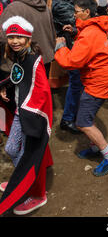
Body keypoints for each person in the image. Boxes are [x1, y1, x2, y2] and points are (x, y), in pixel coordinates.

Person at [54, 0, 108, 177]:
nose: (74, 15)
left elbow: (72, 61)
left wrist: (60, 47)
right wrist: (76, 32)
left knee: (83, 122)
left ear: (87, 12)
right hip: (102, 79)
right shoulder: (95, 26)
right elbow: (91, 46)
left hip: (97, 83)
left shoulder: (89, 34)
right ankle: (95, 147)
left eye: (76, 12)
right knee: (88, 116)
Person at [0, 16, 53, 216]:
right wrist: (6, 86)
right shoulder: (20, 56)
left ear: (28, 39)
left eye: (19, 37)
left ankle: (37, 194)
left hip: (29, 116)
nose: (14, 41)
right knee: (14, 149)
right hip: (20, 113)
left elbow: (42, 90)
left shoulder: (33, 59)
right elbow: (19, 76)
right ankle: (21, 179)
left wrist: (30, 113)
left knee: (30, 157)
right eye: (11, 37)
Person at [0, 0, 56, 78]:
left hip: (22, 65)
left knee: (23, 94)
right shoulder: (43, 4)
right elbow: (53, 34)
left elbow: (3, 38)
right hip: (44, 60)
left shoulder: (14, 8)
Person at [48, 0, 82, 134]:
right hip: (71, 47)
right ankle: (68, 119)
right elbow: (80, 21)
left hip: (72, 45)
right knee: (76, 83)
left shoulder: (65, 2)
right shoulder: (61, 6)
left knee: (77, 82)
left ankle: (72, 116)